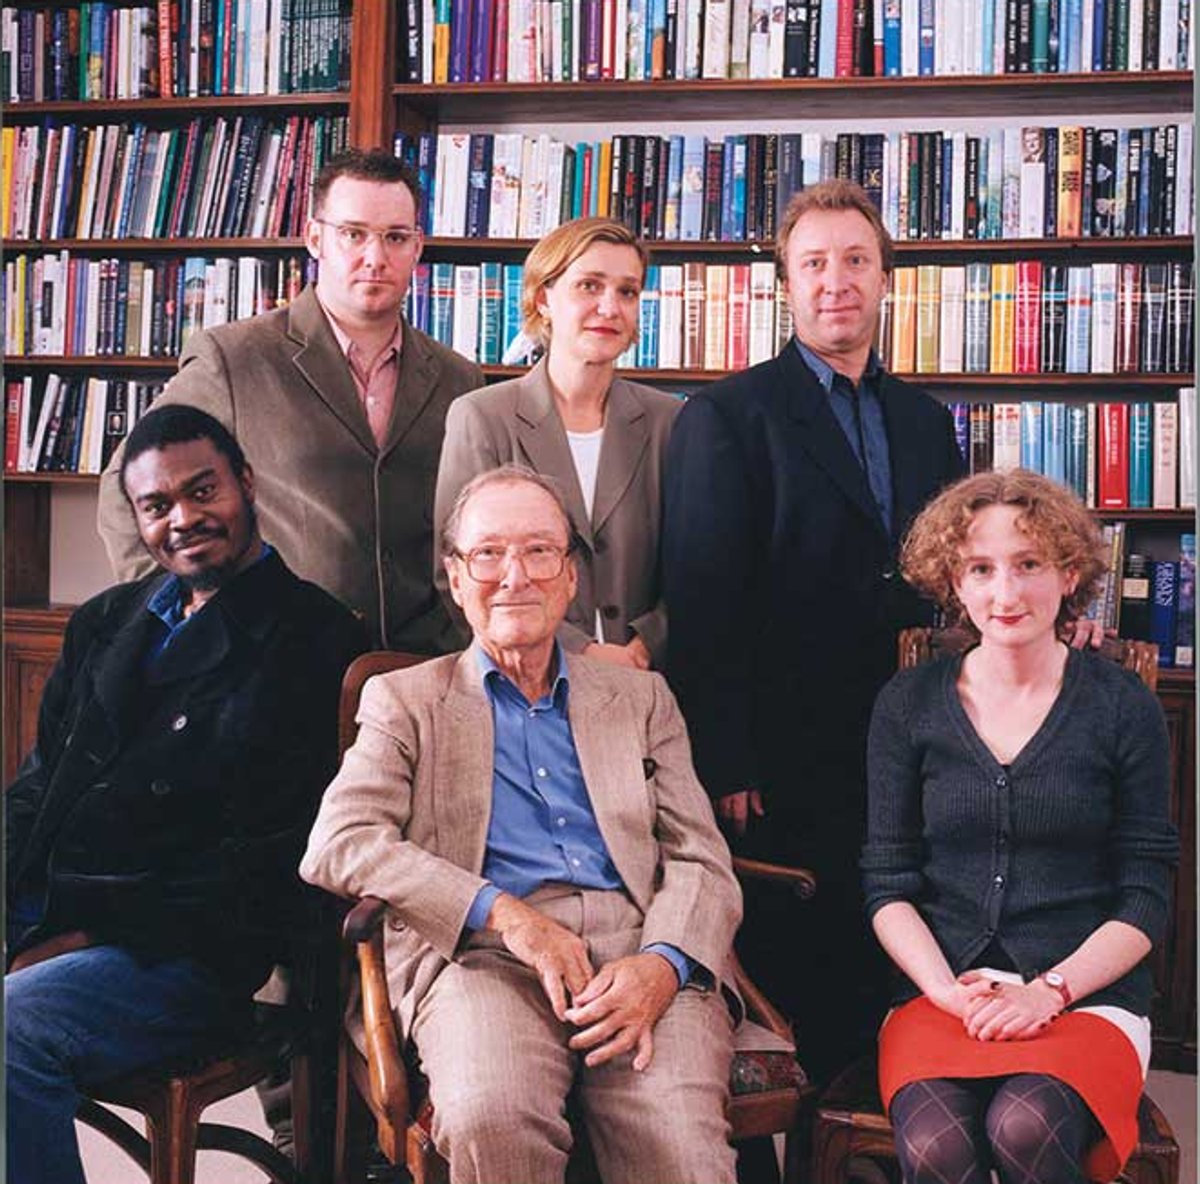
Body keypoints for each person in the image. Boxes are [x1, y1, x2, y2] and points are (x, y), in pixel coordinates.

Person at [301, 465, 742, 1184]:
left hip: (638, 949)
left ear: (570, 577)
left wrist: (663, 965)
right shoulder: (405, 701)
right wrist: (504, 914)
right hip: (483, 960)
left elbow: (699, 858)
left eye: (540, 551)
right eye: (489, 553)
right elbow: (340, 844)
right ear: (453, 574)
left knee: (682, 1155)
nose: (516, 575)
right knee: (492, 1118)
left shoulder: (641, 699)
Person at [5, 406, 366, 1184]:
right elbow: (35, 793)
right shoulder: (106, 621)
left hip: (191, 959)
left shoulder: (317, 638)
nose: (184, 519)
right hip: (54, 925)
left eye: (204, 491)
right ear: (137, 520)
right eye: (157, 505)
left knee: (9, 1032)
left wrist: (82, 939)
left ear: (247, 484)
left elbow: (274, 862)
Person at [661, 178, 965, 1083]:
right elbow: (703, 596)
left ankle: (873, 1135)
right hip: (783, 748)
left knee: (895, 940)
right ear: (786, 285)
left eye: (856, 261)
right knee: (802, 970)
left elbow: (950, 575)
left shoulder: (927, 422)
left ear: (886, 280)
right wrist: (728, 759)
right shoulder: (728, 416)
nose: (837, 280)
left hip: (914, 732)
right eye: (815, 263)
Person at [864, 469, 1178, 1184]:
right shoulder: (906, 705)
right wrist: (944, 990)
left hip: (1084, 997)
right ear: (955, 582)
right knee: (940, 1148)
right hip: (944, 992)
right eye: (982, 569)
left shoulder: (1120, 705)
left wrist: (1049, 992)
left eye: (1029, 565)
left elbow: (1145, 892)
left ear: (1069, 574)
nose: (1005, 594)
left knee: (1023, 1125)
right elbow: (887, 882)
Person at [97, 148, 483, 651]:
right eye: (353, 233)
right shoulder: (234, 357)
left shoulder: (460, 377)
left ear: (417, 246)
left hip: (421, 665)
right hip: (275, 661)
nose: (375, 256)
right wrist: (188, 612)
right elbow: (123, 485)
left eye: (395, 237)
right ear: (315, 238)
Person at [434, 217, 680, 670]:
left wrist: (642, 651)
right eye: (589, 285)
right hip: (525, 680)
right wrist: (582, 652)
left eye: (627, 291)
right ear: (543, 298)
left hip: (649, 683)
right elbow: (458, 570)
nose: (610, 307)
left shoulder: (671, 420)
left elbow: (697, 565)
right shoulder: (483, 417)